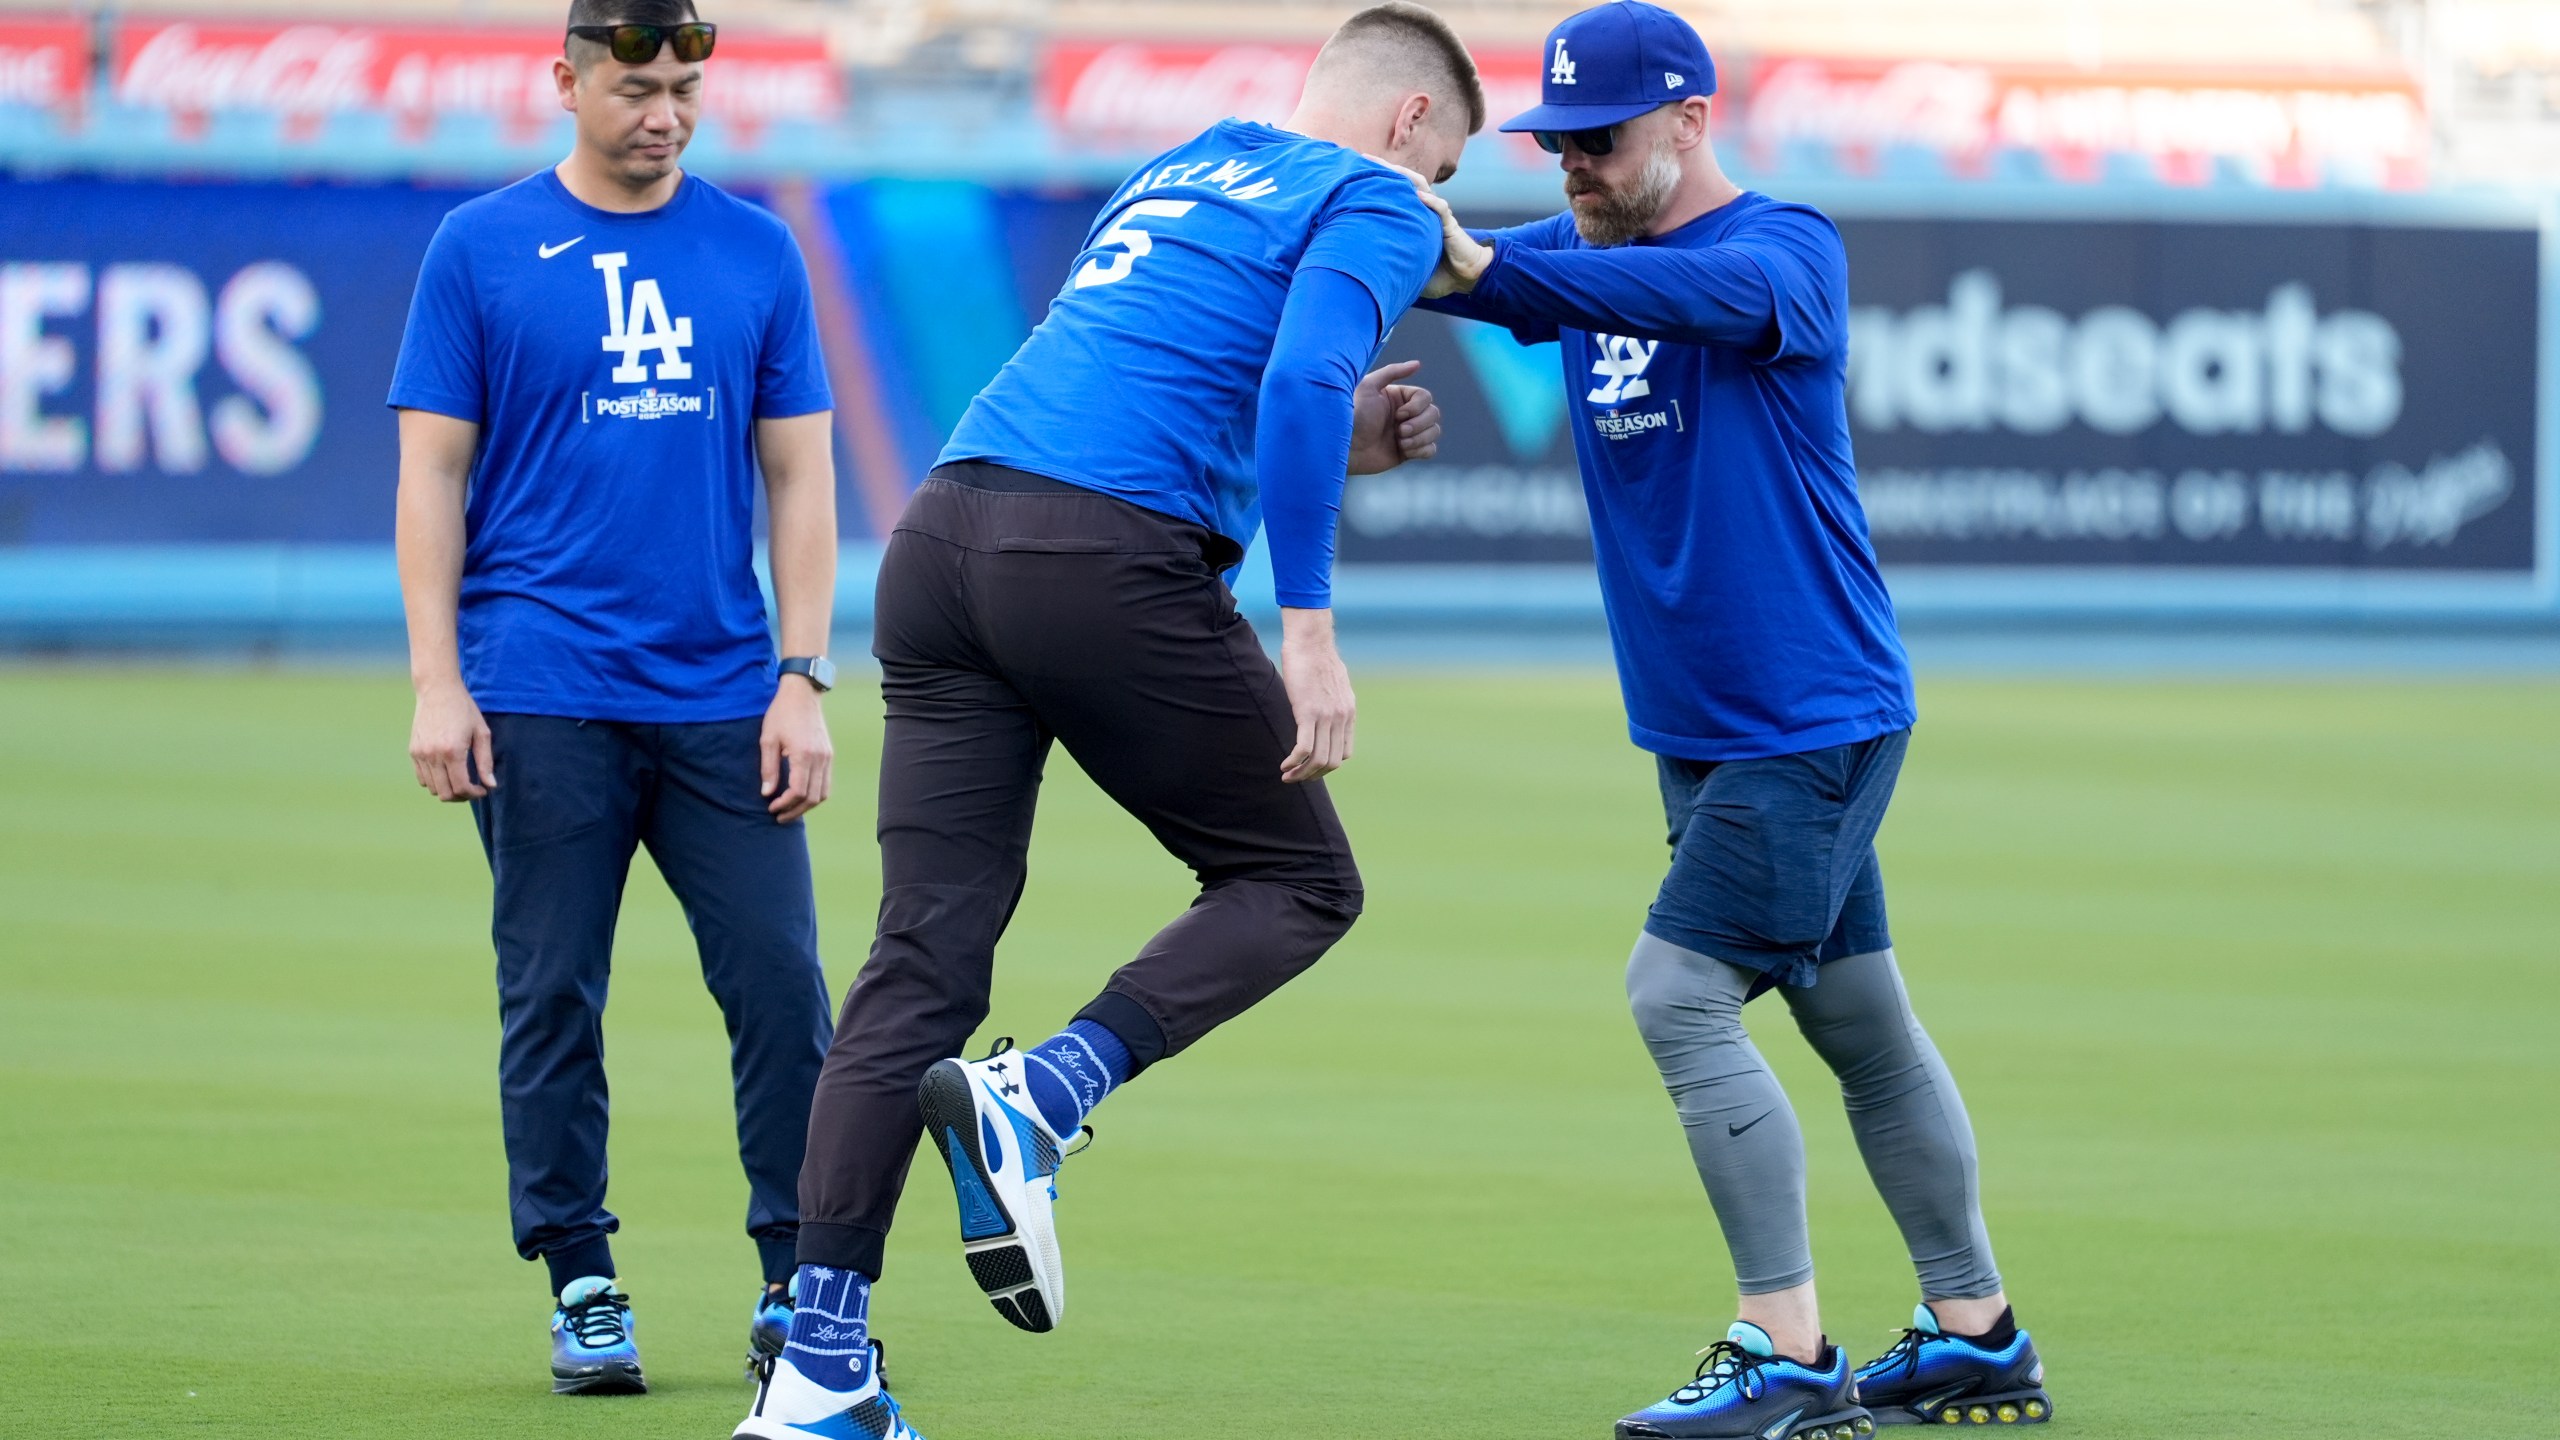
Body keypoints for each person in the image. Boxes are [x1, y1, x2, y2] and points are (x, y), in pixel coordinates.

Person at [732, 6, 1470, 1438]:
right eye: (1452, 162)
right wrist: (1307, 631)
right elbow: (1310, 374)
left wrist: (1318, 453)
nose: (1441, 204)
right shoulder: (1380, 193)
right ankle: (1048, 1090)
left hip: (944, 537)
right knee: (1301, 880)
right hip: (1100, 558)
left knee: (922, 955)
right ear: (1413, 124)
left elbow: (1178, 380)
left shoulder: (1188, 162)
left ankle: (817, 1360)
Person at [1406, 4, 2051, 1436]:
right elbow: (1467, 273)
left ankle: (1790, 1354)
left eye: (1601, 139)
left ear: (1691, 121)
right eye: (1555, 142)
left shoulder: (1788, 250)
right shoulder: (1581, 252)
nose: (1570, 164)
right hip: (1710, 728)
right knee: (1862, 1025)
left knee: (1676, 997)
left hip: (1805, 717)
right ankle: (1977, 1333)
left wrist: (1503, 272)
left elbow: (1686, 298)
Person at [389, 0, 841, 1397]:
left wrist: (804, 676)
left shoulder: (759, 250)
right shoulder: (477, 247)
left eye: (684, 87)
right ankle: (581, 1280)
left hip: (722, 691)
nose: (664, 113)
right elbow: (428, 479)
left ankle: (797, 1283)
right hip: (537, 690)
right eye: (635, 85)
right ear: (566, 80)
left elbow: (804, 478)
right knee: (551, 996)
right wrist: (436, 682)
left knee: (782, 995)